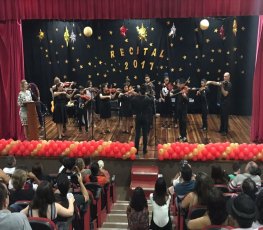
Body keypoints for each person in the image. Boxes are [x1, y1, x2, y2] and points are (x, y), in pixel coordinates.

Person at [130, 84, 153, 155]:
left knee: (137, 134)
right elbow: (151, 101)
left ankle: (136, 150)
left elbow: (132, 103)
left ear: (139, 91)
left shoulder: (135, 98)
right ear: (145, 91)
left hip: (138, 116)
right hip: (145, 117)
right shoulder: (148, 99)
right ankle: (144, 150)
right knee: (145, 134)